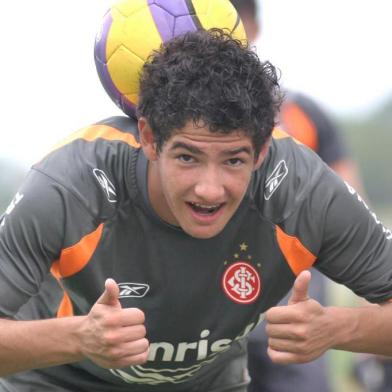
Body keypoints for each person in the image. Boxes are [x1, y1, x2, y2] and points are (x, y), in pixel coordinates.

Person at [1, 28, 392, 392]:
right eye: (188, 157)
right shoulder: (72, 187)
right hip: (59, 380)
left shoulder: (302, 193)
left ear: (262, 152)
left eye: (234, 161)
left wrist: (338, 328)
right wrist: (78, 337)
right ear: (150, 139)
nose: (209, 188)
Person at [229, 1, 365, 391]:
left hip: (296, 287)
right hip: (217, 290)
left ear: (254, 27)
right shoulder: (180, 118)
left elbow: (349, 199)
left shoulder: (301, 113)